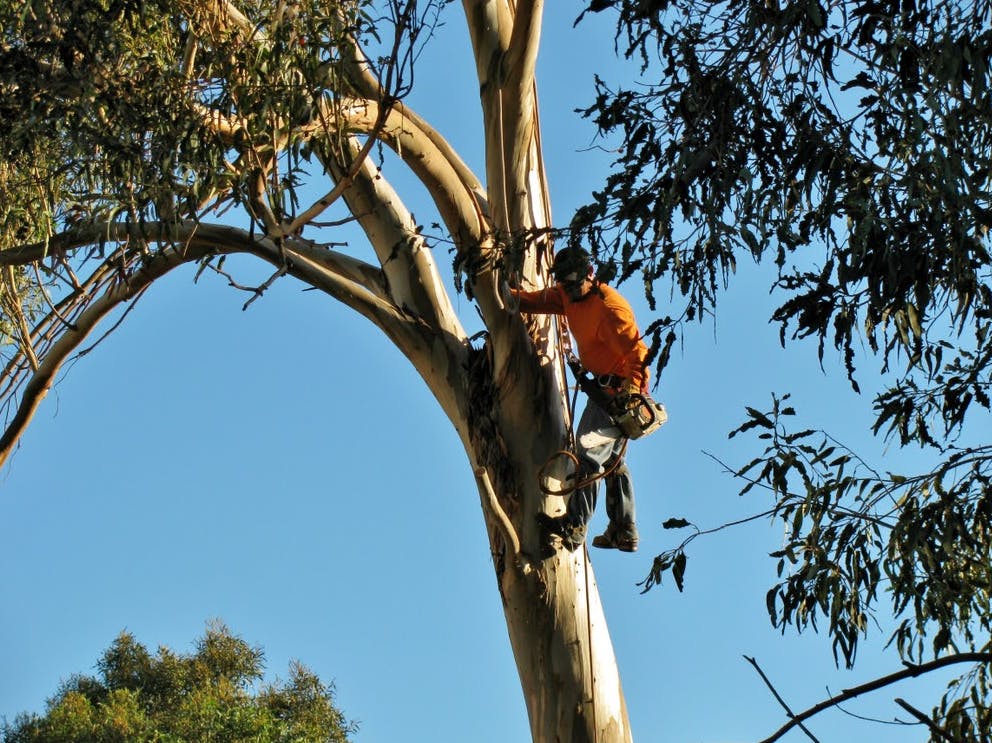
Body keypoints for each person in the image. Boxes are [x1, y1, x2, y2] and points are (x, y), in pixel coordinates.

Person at [511, 247, 650, 553]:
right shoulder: (566, 295)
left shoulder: (611, 309)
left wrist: (633, 395)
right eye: (564, 284)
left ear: (590, 274)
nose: (570, 291)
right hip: (600, 392)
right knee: (611, 461)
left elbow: (638, 355)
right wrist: (508, 295)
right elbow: (543, 300)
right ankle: (623, 529)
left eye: (574, 283)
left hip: (618, 397)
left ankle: (574, 527)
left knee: (587, 455)